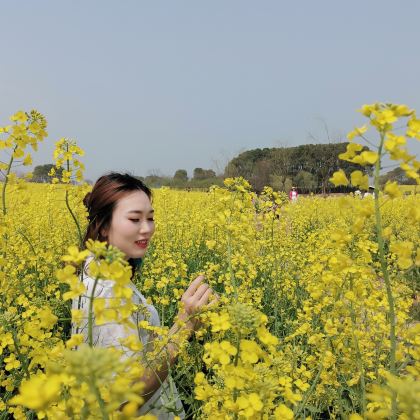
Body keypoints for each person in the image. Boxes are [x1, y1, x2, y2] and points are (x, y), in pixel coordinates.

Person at [72, 173, 214, 418]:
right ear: (104, 226)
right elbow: (125, 398)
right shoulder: (107, 293)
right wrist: (185, 324)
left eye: (150, 218)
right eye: (135, 219)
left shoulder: (97, 269)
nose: (147, 228)